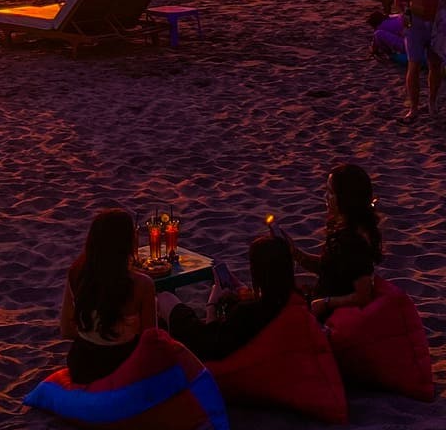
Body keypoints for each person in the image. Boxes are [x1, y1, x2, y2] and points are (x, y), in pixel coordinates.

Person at [160, 234, 295, 362]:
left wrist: (212, 303)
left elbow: (211, 345)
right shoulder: (293, 304)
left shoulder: (247, 313)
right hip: (234, 344)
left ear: (257, 273)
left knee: (165, 298)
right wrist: (246, 293)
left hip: (204, 348)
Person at [59, 209, 155, 384]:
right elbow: (150, 340)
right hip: (122, 367)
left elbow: (66, 329)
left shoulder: (76, 274)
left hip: (82, 366)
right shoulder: (143, 284)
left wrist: (96, 334)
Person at [288, 163, 382, 319]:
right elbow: (332, 269)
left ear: (346, 198)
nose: (326, 197)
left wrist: (326, 303)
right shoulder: (351, 229)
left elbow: (363, 295)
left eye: (331, 193)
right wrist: (296, 254)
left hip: (331, 319)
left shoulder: (353, 241)